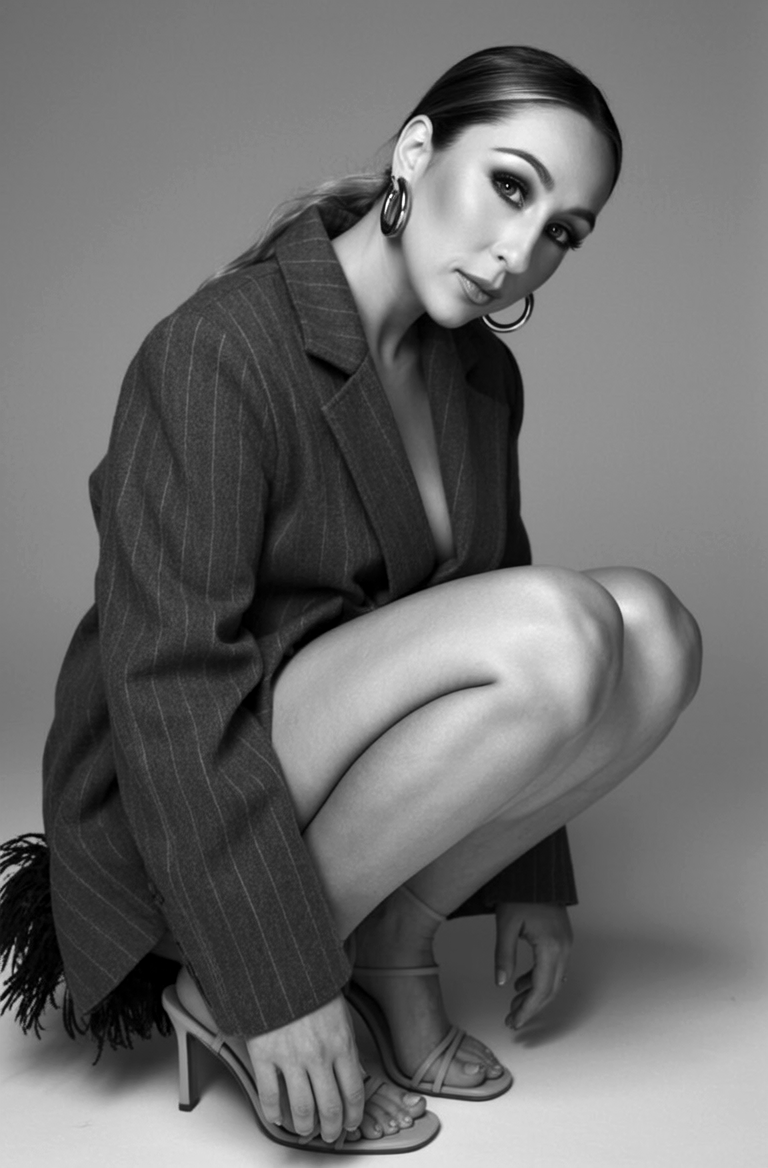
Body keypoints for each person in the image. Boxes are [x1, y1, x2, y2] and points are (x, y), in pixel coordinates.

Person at [0, 45, 701, 1153]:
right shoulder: (218, 349)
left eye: (563, 231)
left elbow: (491, 585)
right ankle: (247, 974)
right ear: (417, 152)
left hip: (331, 748)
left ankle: (391, 940)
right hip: (185, 783)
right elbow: (168, 685)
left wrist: (532, 872)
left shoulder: (480, 375)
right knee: (564, 627)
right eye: (509, 185)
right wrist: (275, 982)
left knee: (658, 634)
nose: (520, 252)